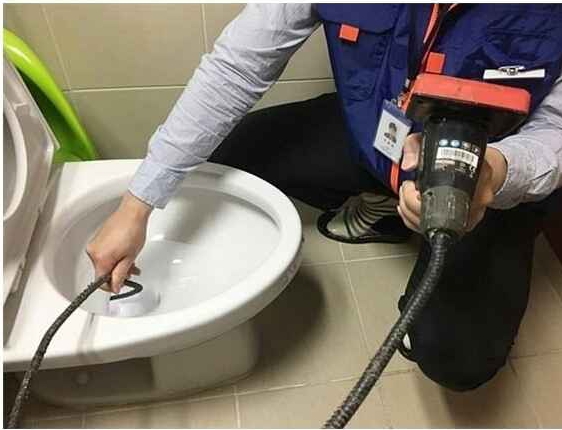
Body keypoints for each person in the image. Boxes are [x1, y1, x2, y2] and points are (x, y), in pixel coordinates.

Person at [87, 4, 562, 391]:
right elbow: (236, 67)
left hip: (484, 174)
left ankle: (447, 236)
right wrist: (137, 204)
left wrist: (496, 173)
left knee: (454, 359)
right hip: (379, 134)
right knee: (232, 155)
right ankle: (388, 210)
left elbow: (556, 129)